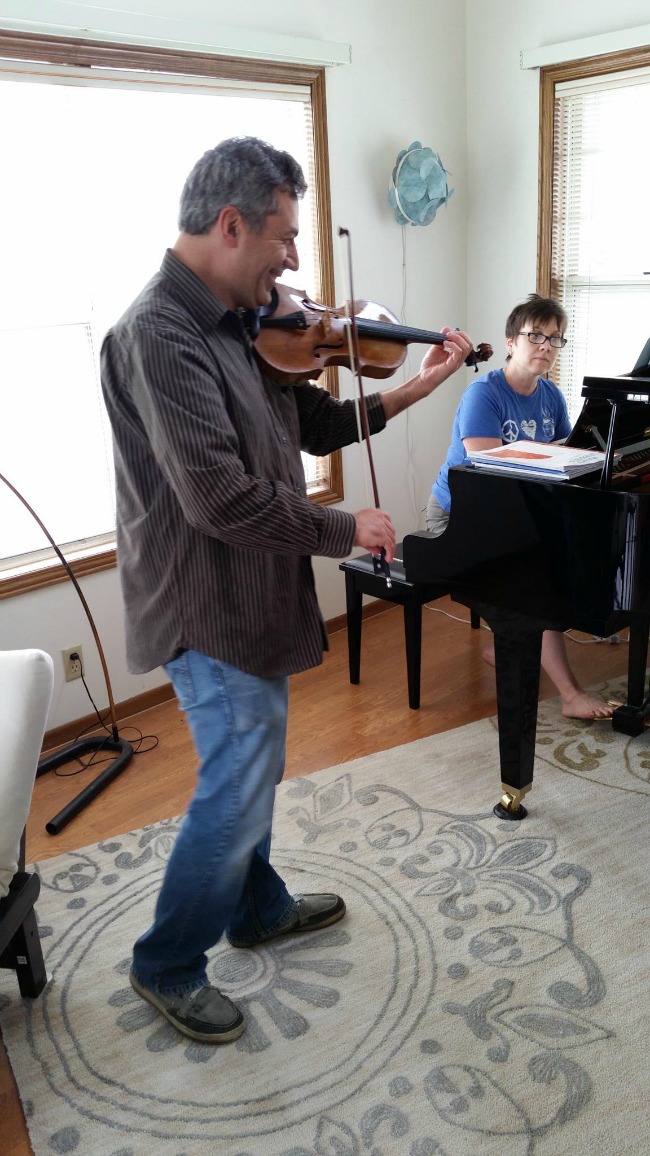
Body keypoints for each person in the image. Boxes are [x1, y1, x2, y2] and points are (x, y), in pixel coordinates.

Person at [100, 136, 472, 1045]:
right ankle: (167, 961)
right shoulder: (157, 335)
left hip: (252, 585)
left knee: (254, 759)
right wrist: (347, 529)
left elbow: (314, 425)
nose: (296, 261)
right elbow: (221, 499)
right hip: (204, 599)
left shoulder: (247, 319)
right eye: (284, 236)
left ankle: (256, 905)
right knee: (237, 774)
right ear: (230, 225)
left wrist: (419, 386)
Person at [426, 292, 613, 722]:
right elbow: (489, 467)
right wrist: (552, 454)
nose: (546, 346)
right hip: (457, 514)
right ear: (511, 341)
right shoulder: (483, 394)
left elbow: (570, 452)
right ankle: (568, 693)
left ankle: (507, 640)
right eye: (535, 336)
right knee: (533, 582)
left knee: (570, 556)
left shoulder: (551, 396)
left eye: (555, 339)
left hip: (514, 511)